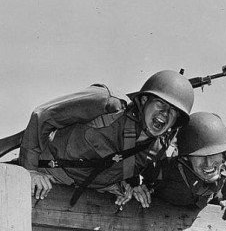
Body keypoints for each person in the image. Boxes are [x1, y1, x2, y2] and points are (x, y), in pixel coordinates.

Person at [18, 70, 194, 206]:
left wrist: (130, 185)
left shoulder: (157, 149)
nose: (165, 113)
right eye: (160, 104)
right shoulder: (106, 103)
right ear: (143, 100)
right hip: (45, 177)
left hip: (85, 200)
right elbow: (44, 115)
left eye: (172, 111)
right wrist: (30, 171)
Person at [140, 112, 226, 226]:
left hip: (211, 198)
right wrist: (134, 185)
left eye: (214, 154)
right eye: (200, 156)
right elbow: (138, 168)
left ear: (224, 152)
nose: (209, 163)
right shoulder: (164, 166)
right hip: (171, 204)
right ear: (186, 158)